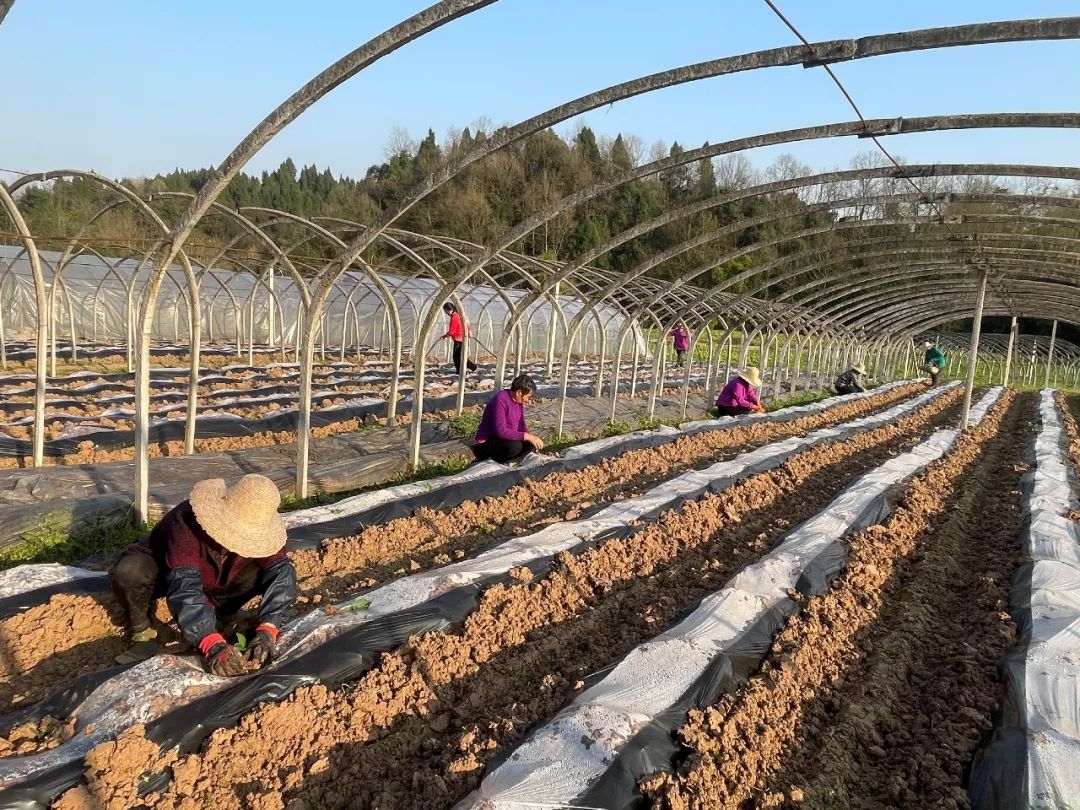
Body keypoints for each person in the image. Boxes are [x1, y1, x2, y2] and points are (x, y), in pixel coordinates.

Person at [108, 474, 296, 677]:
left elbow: (282, 573)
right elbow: (184, 586)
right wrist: (210, 643)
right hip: (167, 571)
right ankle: (143, 630)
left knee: (263, 571)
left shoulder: (261, 533)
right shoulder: (187, 522)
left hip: (216, 579)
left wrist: (269, 628)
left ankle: (223, 614)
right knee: (130, 571)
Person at [471, 373, 545, 464]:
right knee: (515, 446)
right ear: (519, 393)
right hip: (488, 443)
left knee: (530, 444)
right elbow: (500, 431)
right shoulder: (500, 400)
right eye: (528, 397)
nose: (528, 400)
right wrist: (526, 436)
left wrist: (531, 437)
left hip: (506, 440)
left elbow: (521, 425)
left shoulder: (518, 402)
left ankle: (514, 460)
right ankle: (500, 461)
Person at [443, 302, 478, 375]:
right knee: (460, 357)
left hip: (460, 340)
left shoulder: (455, 317)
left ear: (448, 310)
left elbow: (452, 331)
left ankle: (471, 368)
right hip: (461, 339)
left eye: (446, 311)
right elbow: (466, 323)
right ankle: (463, 370)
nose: (446, 313)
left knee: (458, 358)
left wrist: (445, 336)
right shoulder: (459, 315)